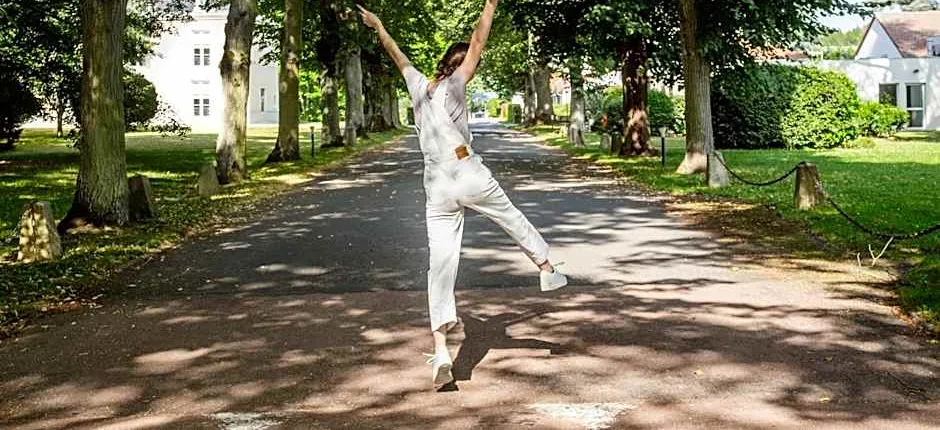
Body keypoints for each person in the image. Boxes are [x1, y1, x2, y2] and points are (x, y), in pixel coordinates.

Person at [358, 0, 567, 389]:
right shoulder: (456, 84)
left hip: (435, 183)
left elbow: (395, 53)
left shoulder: (419, 85)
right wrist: (489, 5)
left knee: (440, 266)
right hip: (467, 170)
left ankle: (441, 350)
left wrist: (379, 26)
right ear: (461, 67)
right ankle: (546, 268)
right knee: (510, 216)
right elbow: (478, 41)